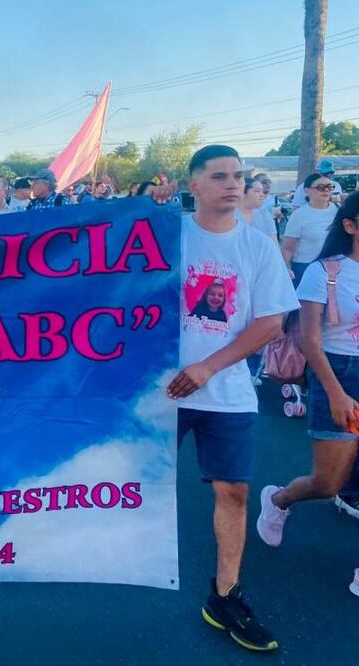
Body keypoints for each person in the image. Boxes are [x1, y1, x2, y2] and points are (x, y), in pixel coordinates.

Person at [168, 144, 296, 652]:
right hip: (162, 388)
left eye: (238, 176)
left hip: (225, 389)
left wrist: (208, 367)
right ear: (194, 185)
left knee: (235, 491)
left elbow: (271, 323)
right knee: (138, 484)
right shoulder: (167, 236)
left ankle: (225, 596)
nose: (233, 184)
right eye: (219, 176)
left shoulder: (258, 247)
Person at [257, 193, 359, 596]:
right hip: (339, 374)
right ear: (350, 225)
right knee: (327, 483)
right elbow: (310, 341)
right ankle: (279, 500)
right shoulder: (325, 272)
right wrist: (335, 393)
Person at [282, 172, 338, 283]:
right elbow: (288, 248)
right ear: (307, 191)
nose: (326, 190)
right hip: (304, 268)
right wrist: (285, 268)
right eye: (320, 187)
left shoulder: (337, 210)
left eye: (329, 187)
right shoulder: (299, 215)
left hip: (333, 266)